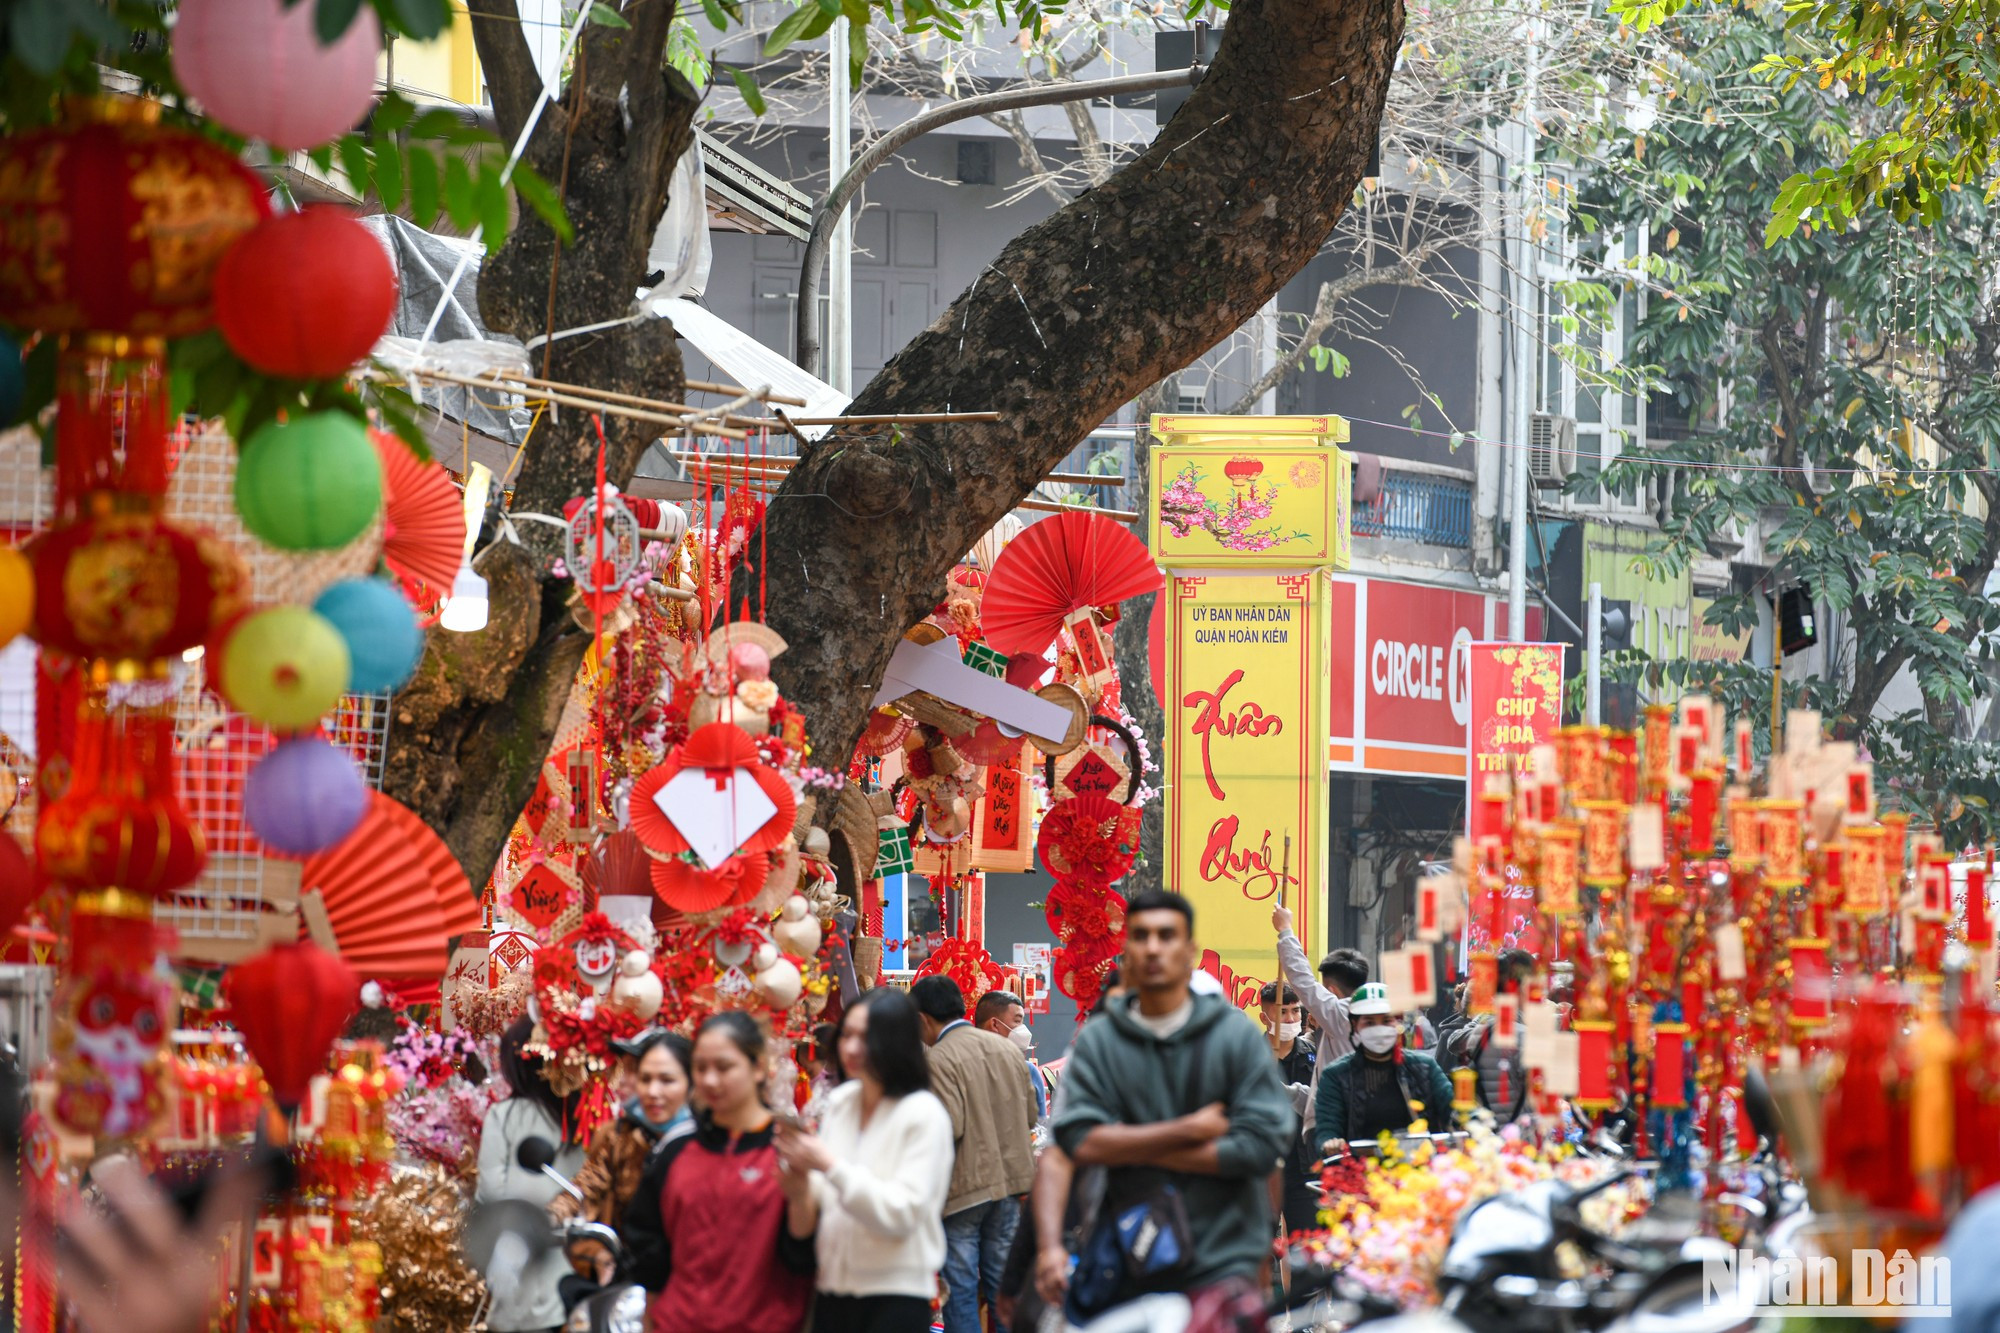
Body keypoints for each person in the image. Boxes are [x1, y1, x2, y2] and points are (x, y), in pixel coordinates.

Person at [1050, 889, 1292, 1319]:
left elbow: (1261, 1144)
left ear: (1189, 950)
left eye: (1167, 935)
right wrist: (1190, 1130)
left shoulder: (1234, 1040)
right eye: (1141, 936)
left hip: (1221, 1260)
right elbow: (1079, 1140)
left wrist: (1128, 1147)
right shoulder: (1100, 1042)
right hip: (1127, 1257)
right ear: (1127, 952)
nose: (1154, 947)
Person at [772, 988, 955, 1333]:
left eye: (867, 1038)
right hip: (831, 1288)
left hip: (894, 1295)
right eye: (848, 1035)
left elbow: (902, 1212)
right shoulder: (841, 1102)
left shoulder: (923, 1114)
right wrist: (799, 1185)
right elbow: (825, 1199)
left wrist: (828, 1165)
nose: (852, 1048)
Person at [623, 1013, 816, 1333]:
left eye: (724, 1067)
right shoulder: (676, 1151)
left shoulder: (788, 1150)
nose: (710, 1080)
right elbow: (651, 1256)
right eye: (701, 1068)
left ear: (757, 1068)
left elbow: (803, 1258)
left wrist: (801, 1197)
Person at [910, 975, 1038, 1333]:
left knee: (962, 1289)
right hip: (1010, 1185)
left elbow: (947, 1128)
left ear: (922, 1019)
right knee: (1002, 1286)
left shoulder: (938, 1059)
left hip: (965, 1189)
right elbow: (1030, 1116)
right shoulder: (1008, 1051)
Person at [551, 1030, 694, 1302]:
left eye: (664, 1079)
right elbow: (589, 1183)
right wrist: (554, 1214)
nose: (626, 1082)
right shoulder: (619, 1135)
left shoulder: (703, 1140)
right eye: (640, 1076)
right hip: (630, 1281)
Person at [477, 1016, 587, 1333]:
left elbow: (490, 1195)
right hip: (578, 1268)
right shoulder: (581, 1116)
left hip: (521, 1266)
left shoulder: (505, 1116)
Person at [1312, 983, 1455, 1148]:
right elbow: (1327, 1127)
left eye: (1386, 1020)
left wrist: (1472, 1121)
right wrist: (1330, 1142)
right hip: (1360, 1168)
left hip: (1420, 1166)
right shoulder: (1335, 1075)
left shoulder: (1425, 1067)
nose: (1378, 1028)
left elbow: (1452, 1108)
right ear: (1354, 1025)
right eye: (1369, 1023)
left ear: (1398, 1023)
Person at [1440, 949, 1536, 1124]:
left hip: (1485, 1131)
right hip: (1515, 1134)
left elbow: (1455, 1041)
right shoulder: (1520, 1033)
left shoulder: (1491, 1022)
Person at [1271, 904, 1367, 1072]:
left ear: (1331, 991)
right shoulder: (1383, 1014)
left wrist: (1285, 930)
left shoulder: (1342, 1014)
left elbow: (1302, 979)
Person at [1259, 981, 1319, 1234]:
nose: (1291, 1018)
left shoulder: (1313, 1054)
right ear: (1265, 1016)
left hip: (1303, 1167)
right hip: (1261, 1168)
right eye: (1282, 1011)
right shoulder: (1250, 1055)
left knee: (1306, 1248)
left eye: (1295, 1011)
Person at [975, 988, 1048, 1121]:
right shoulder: (968, 1068)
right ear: (995, 1024)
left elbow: (1039, 1128)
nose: (1023, 1029)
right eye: (1017, 1021)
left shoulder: (1029, 1071)